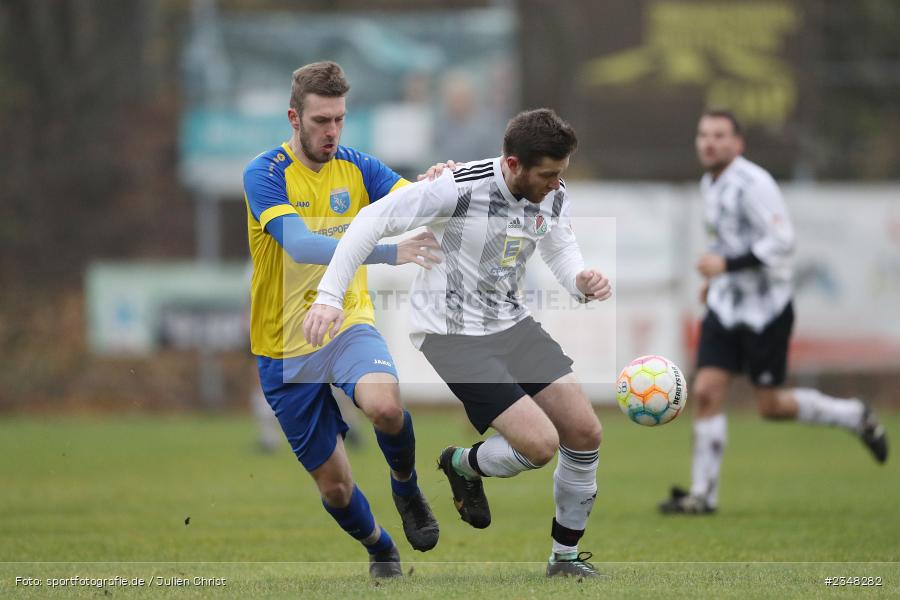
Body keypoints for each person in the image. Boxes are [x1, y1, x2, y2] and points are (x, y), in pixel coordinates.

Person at [305, 109, 613, 578]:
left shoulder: (552, 192)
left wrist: (579, 281)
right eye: (547, 175)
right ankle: (462, 464)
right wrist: (329, 297)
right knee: (541, 445)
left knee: (586, 432)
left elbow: (559, 247)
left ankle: (564, 559)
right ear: (513, 164)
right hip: (453, 336)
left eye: (560, 174)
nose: (556, 184)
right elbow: (370, 221)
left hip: (512, 323)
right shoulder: (456, 187)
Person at [243, 61, 444, 578]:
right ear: (295, 118)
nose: (332, 132)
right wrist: (389, 253)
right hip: (283, 347)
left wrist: (439, 183)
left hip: (345, 322)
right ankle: (381, 548)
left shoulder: (358, 166)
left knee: (385, 407)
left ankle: (406, 487)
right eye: (320, 121)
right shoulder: (265, 174)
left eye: (339, 120)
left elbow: (414, 203)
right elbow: (302, 244)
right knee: (335, 487)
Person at [659, 109, 889, 515]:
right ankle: (702, 494)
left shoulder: (755, 184)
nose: (709, 142)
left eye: (719, 135)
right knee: (707, 391)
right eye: (704, 135)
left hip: (766, 310)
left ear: (738, 143)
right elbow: (729, 241)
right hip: (725, 306)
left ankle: (853, 415)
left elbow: (782, 241)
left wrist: (726, 265)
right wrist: (717, 279)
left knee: (772, 406)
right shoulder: (709, 183)